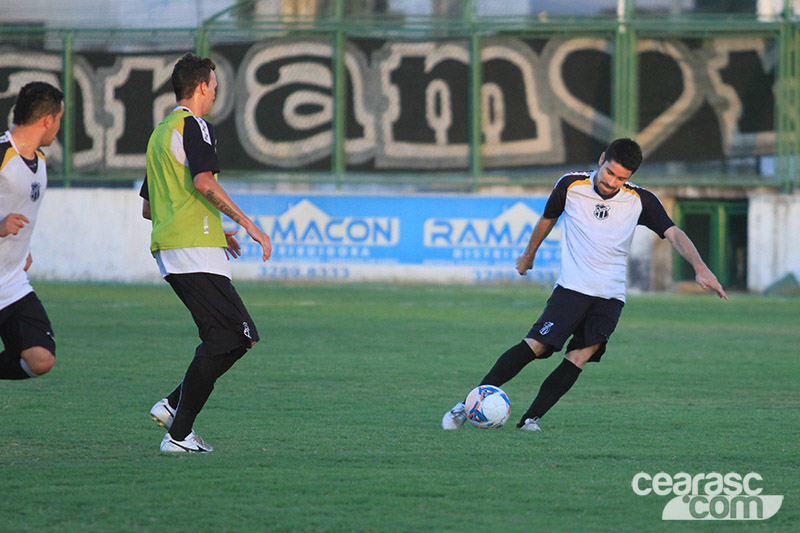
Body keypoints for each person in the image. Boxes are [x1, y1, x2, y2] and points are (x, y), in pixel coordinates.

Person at [442, 138, 727, 431]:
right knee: (536, 346)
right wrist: (529, 255)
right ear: (602, 159)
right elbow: (546, 220)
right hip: (572, 289)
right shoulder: (570, 185)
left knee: (579, 356)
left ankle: (529, 420)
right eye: (609, 172)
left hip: (610, 297)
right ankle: (466, 406)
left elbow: (674, 233)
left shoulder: (640, 200)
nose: (612, 181)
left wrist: (700, 267)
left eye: (622, 178)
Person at [140, 53, 271, 453]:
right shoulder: (195, 126)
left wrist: (218, 229)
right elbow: (203, 182)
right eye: (214, 86)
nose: (215, 93)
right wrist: (248, 225)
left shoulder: (162, 132)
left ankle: (174, 405)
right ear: (201, 87)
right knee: (228, 335)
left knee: (239, 337)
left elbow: (149, 206)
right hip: (192, 250)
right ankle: (178, 435)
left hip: (180, 248)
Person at [0, 82, 64, 381]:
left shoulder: (40, 162)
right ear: (47, 120)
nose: (58, 128)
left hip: (11, 283)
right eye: (60, 120)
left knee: (40, 358)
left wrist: (23, 249)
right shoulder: (2, 153)